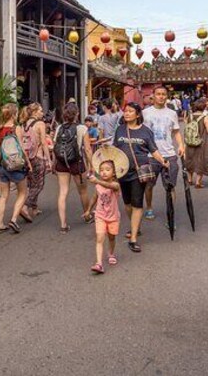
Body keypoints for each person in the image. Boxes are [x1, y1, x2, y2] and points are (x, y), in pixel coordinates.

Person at [114, 102, 168, 252]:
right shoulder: (120, 130)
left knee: (137, 202)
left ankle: (133, 237)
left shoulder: (146, 132)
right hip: (122, 171)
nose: (127, 113)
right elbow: (115, 150)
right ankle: (135, 225)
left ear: (138, 115)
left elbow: (153, 150)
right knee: (127, 203)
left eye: (131, 111)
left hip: (139, 172)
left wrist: (163, 161)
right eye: (126, 111)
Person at [141, 86, 184, 220]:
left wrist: (181, 145)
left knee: (170, 186)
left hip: (169, 154)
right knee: (149, 185)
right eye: (158, 94)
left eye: (164, 94)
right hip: (150, 155)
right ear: (152, 96)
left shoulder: (172, 113)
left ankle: (170, 212)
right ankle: (149, 207)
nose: (161, 96)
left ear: (167, 96)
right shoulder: (144, 113)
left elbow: (176, 131)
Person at [53, 102, 93, 233]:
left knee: (62, 192)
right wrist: (92, 165)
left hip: (61, 163)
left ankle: (63, 224)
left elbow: (55, 147)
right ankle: (87, 215)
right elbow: (87, 149)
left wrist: (54, 163)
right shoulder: (82, 128)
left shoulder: (59, 128)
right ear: (77, 114)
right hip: (77, 162)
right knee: (83, 191)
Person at [0, 103, 32, 234]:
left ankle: (0, 224)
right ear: (14, 114)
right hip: (16, 167)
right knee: (22, 193)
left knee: (3, 196)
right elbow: (21, 148)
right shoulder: (16, 128)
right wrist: (28, 163)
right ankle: (14, 219)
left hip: (2, 166)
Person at [87, 160, 121, 274]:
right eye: (101, 170)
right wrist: (88, 210)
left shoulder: (115, 185)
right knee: (100, 238)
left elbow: (111, 185)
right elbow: (94, 198)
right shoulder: (98, 186)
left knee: (111, 237)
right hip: (100, 215)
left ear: (114, 173)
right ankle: (99, 263)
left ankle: (111, 253)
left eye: (107, 170)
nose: (104, 172)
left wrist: (97, 180)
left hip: (113, 217)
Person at [19, 103, 50, 222]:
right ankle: (25, 206)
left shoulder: (23, 124)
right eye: (41, 111)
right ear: (35, 112)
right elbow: (43, 142)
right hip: (38, 156)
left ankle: (34, 208)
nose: (42, 113)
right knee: (39, 184)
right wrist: (48, 159)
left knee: (32, 183)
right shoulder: (40, 124)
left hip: (27, 158)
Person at [184, 98, 208, 188]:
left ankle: (189, 180)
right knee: (201, 160)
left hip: (190, 141)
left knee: (190, 159)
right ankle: (198, 182)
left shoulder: (189, 117)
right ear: (203, 107)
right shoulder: (205, 117)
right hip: (202, 142)